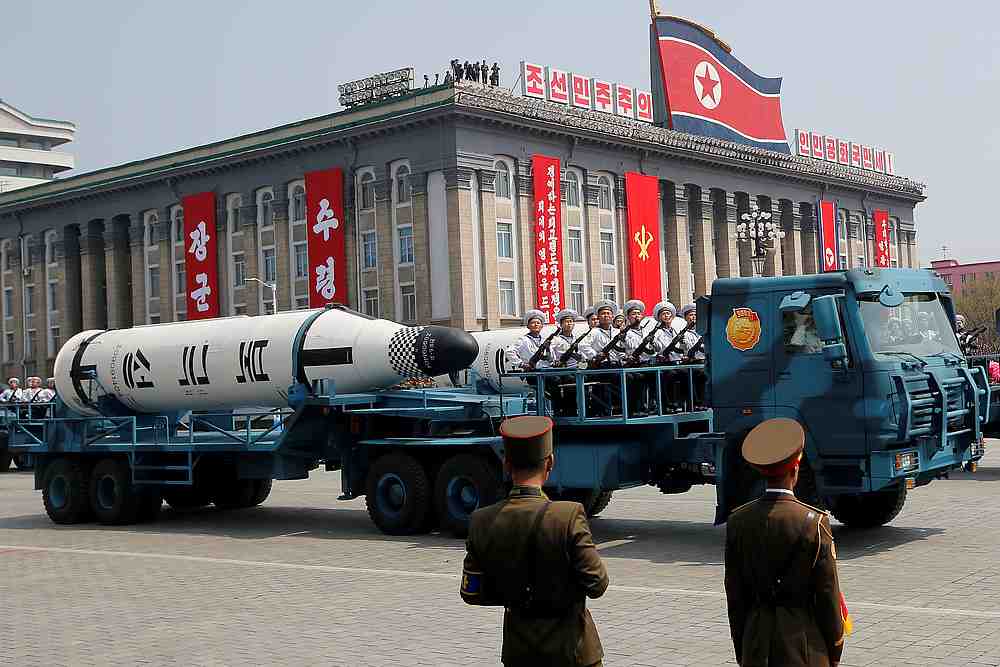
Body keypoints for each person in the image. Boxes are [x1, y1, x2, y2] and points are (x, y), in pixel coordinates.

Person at [461, 415, 609, 667]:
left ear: (506, 464)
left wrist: (518, 594)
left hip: (520, 652)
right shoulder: (568, 516)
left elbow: (471, 592)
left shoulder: (481, 521)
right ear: (550, 462)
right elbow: (597, 584)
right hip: (572, 651)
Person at [725, 418, 848, 667]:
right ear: (795, 469)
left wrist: (744, 647)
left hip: (755, 641)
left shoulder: (738, 520)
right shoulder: (814, 522)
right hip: (803, 645)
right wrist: (834, 648)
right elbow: (827, 596)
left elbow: (735, 597)